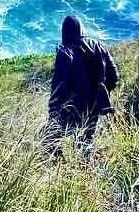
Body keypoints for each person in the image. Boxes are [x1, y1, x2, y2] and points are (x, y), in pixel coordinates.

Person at [43, 15, 119, 156]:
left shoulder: (64, 52)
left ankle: (60, 169)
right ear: (81, 28)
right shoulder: (100, 46)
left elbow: (57, 88)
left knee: (48, 138)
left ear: (64, 32)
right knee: (85, 143)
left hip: (71, 108)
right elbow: (114, 77)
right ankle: (87, 172)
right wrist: (101, 93)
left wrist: (53, 114)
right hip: (94, 106)